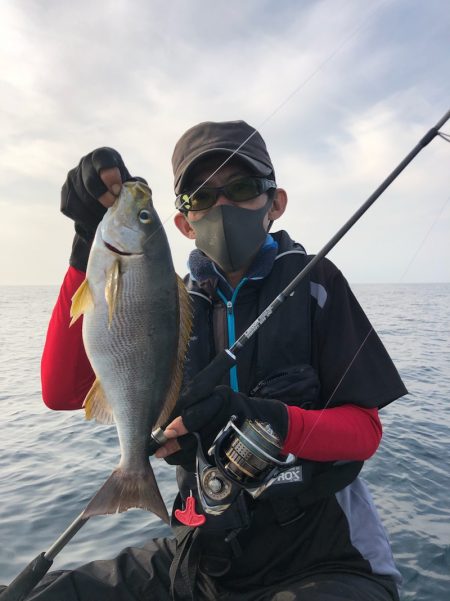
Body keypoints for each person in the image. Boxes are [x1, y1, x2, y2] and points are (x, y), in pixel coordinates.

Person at [33, 120, 407, 601]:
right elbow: (61, 393)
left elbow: (365, 432)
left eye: (243, 188)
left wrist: (264, 418)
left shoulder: (316, 283)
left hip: (325, 557)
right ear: (184, 223)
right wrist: (87, 245)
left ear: (275, 202)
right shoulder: (168, 303)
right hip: (199, 556)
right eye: (202, 197)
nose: (223, 207)